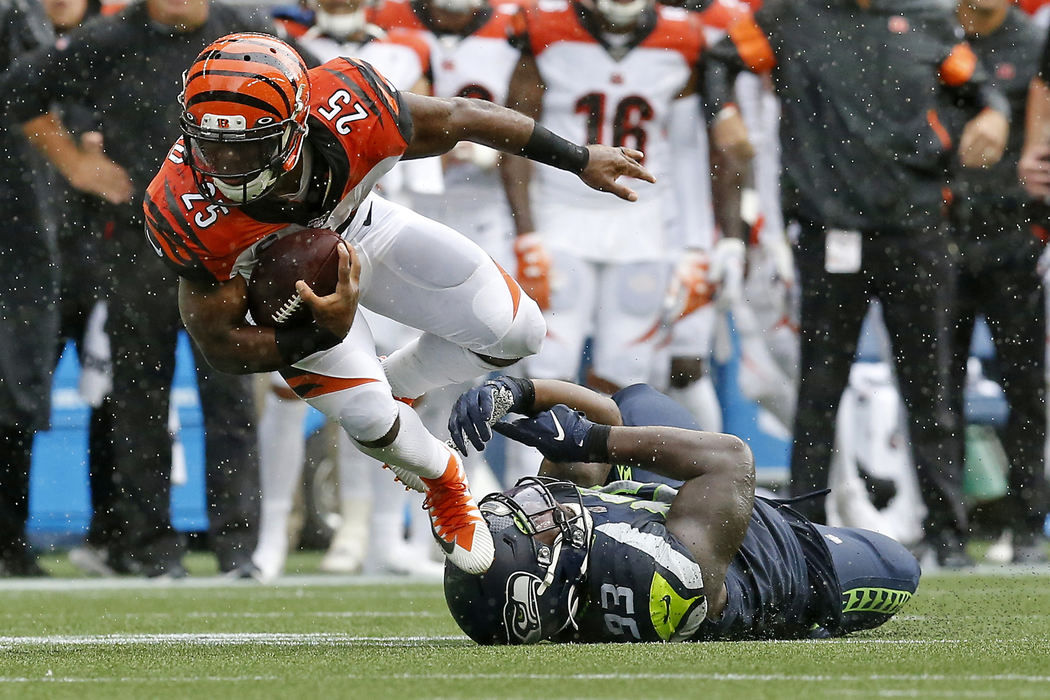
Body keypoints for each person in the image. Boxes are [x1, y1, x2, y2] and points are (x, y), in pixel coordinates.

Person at [141, 32, 652, 574]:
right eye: (210, 143)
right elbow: (220, 345)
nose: (224, 162)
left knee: (520, 331)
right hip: (291, 299)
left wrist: (576, 158)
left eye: (248, 145)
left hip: (363, 228)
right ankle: (443, 480)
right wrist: (322, 330)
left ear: (295, 126)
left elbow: (465, 116)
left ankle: (400, 386)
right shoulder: (182, 206)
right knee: (366, 414)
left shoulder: (353, 108)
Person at [704, 0, 1011, 567]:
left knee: (930, 388)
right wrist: (724, 112)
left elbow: (979, 86)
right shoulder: (792, 16)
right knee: (819, 390)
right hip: (830, 226)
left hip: (915, 225)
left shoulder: (927, 17)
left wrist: (993, 113)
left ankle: (947, 534)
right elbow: (718, 59)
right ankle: (801, 530)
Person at [5, 0, 279, 578]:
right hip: (140, 243)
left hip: (230, 244)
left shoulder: (249, 33)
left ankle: (239, 550)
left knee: (229, 398)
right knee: (138, 399)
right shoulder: (106, 40)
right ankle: (150, 550)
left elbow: (313, 105)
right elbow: (20, 92)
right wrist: (75, 164)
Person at [443, 376, 920, 643]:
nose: (539, 507)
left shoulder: (566, 565)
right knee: (901, 566)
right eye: (536, 531)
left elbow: (606, 414)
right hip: (780, 557)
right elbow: (731, 461)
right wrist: (591, 440)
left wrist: (517, 392)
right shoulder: (649, 581)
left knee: (637, 400)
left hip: (672, 514)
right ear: (547, 588)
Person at [499, 0, 744, 479]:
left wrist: (696, 244)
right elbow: (518, 138)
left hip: (644, 223)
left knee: (625, 377)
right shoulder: (544, 27)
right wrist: (526, 235)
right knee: (545, 368)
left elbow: (691, 150)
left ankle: (611, 509)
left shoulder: (684, 37)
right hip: (560, 217)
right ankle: (521, 503)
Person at [252, 0, 440, 581]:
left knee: (387, 386)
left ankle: (377, 531)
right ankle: (272, 533)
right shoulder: (278, 44)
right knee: (290, 386)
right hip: (300, 235)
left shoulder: (407, 48)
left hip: (382, 227)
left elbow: (431, 139)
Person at [950, 0, 1048, 564]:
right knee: (933, 389)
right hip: (939, 235)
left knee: (1025, 387)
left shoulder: (1033, 43)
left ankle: (1029, 520)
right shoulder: (930, 33)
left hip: (1014, 235)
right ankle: (945, 526)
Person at [0, 0, 59, 577]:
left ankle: (11, 537)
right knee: (16, 387)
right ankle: (11, 540)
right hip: (23, 235)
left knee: (18, 389)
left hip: (25, 237)